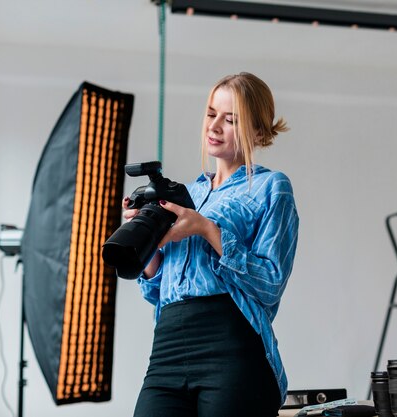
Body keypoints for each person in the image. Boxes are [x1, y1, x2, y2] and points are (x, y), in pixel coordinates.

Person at [125, 72, 299, 417]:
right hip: (168, 345)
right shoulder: (184, 194)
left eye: (230, 119)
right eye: (211, 114)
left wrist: (208, 229)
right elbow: (157, 289)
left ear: (259, 132)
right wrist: (145, 248)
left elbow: (270, 283)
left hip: (232, 346)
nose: (215, 126)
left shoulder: (271, 187)